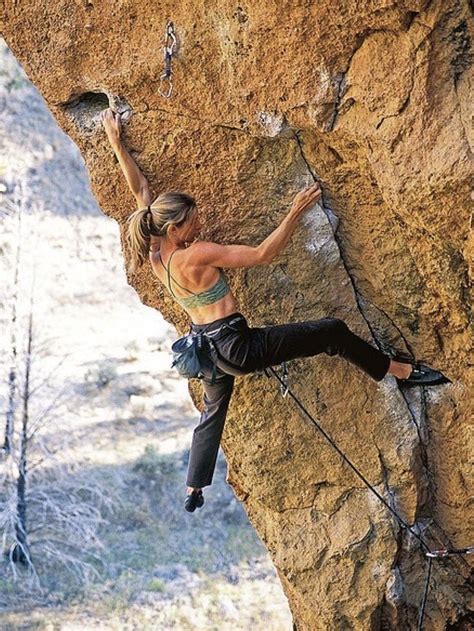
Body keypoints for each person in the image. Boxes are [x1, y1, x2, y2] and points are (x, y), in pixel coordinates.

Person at [101, 108, 451, 513]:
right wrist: (294, 212)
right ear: (176, 229)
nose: (201, 225)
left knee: (213, 412)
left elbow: (141, 192)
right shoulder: (196, 254)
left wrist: (116, 142)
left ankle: (194, 486)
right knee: (332, 332)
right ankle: (400, 372)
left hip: (206, 354)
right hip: (237, 347)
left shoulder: (158, 255)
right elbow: (264, 254)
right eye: (194, 223)